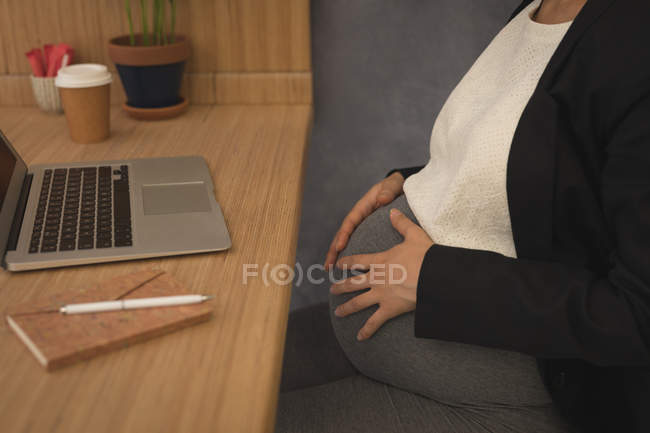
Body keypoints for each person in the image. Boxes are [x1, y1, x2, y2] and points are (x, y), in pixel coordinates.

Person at [277, 0, 650, 431]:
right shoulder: (540, 8)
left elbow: (636, 315)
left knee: (238, 416)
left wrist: (436, 279)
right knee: (235, 371)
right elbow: (554, 164)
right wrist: (417, 179)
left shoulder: (637, 38)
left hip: (499, 400)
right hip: (399, 342)